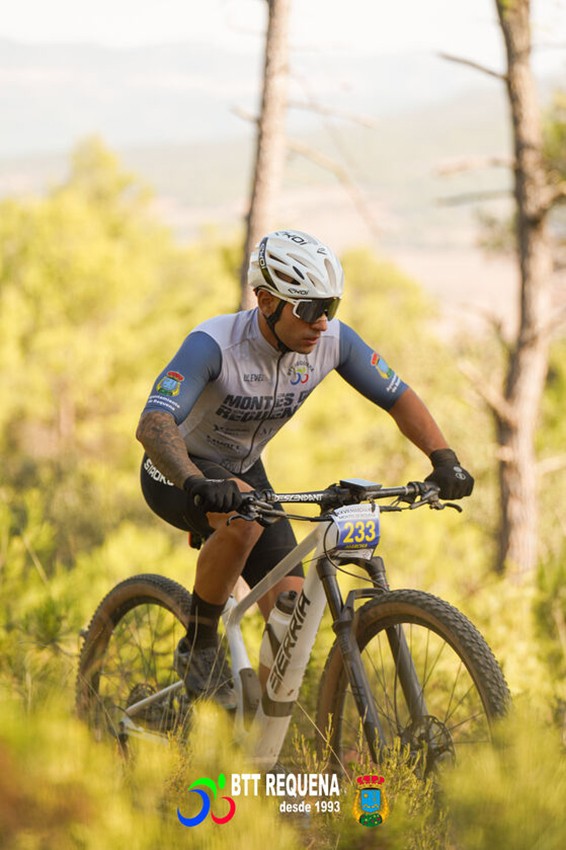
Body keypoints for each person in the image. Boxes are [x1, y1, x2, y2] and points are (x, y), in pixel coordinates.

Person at [136, 229, 473, 710]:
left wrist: (444, 459)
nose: (322, 322)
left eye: (330, 306)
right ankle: (201, 643)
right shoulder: (214, 344)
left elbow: (398, 396)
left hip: (245, 471)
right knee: (242, 520)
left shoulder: (333, 341)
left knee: (291, 615)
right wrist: (195, 482)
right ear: (266, 301)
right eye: (310, 308)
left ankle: (254, 728)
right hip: (178, 468)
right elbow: (153, 424)